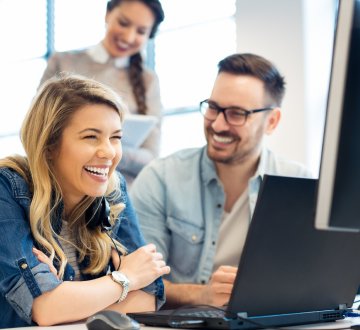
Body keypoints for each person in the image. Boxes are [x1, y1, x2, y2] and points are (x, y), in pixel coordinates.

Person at [130, 53, 313, 308]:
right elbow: (139, 283)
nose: (217, 124)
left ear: (271, 121)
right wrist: (202, 295)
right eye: (213, 107)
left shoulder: (301, 186)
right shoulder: (160, 179)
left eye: (236, 113)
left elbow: (315, 281)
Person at [0, 73, 170, 328]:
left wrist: (67, 297)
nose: (109, 152)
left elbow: (148, 299)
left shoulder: (113, 189)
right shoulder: (8, 188)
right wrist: (125, 279)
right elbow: (46, 309)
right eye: (91, 137)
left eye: (116, 137)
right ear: (49, 145)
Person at [39, 0, 165, 185]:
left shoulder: (149, 81)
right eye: (123, 23)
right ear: (108, 14)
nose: (129, 37)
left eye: (141, 32)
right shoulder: (63, 63)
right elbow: (39, 129)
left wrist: (106, 148)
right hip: (62, 186)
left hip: (120, 196)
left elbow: (151, 156)